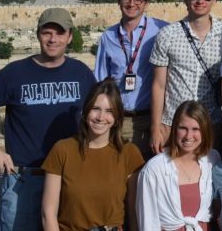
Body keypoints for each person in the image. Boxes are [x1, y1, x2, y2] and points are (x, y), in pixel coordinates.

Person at [0, 7, 97, 231]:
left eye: (59, 33)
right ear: (38, 34)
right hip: (25, 179)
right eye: (47, 33)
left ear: (69, 37)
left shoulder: (81, 73)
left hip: (70, 178)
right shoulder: (15, 73)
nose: (53, 39)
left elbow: (99, 116)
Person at [150, 0, 222, 153]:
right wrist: (155, 127)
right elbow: (158, 85)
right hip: (173, 124)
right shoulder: (167, 35)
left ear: (214, 0)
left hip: (213, 124)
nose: (200, 0)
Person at [41, 78, 145, 231]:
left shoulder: (129, 153)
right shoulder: (62, 150)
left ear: (117, 118)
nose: (101, 117)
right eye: (95, 108)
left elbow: (134, 213)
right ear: (85, 111)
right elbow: (48, 214)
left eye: (109, 111)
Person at [95, 0, 170, 160]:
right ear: (119, 1)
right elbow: (100, 81)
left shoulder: (162, 31)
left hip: (152, 120)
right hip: (118, 121)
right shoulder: (108, 37)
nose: (132, 4)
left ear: (146, 4)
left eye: (138, 0)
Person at [137, 100, 220, 231]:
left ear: (204, 131)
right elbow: (148, 222)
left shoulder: (212, 159)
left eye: (195, 129)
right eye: (183, 128)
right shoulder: (154, 168)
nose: (188, 136)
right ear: (174, 129)